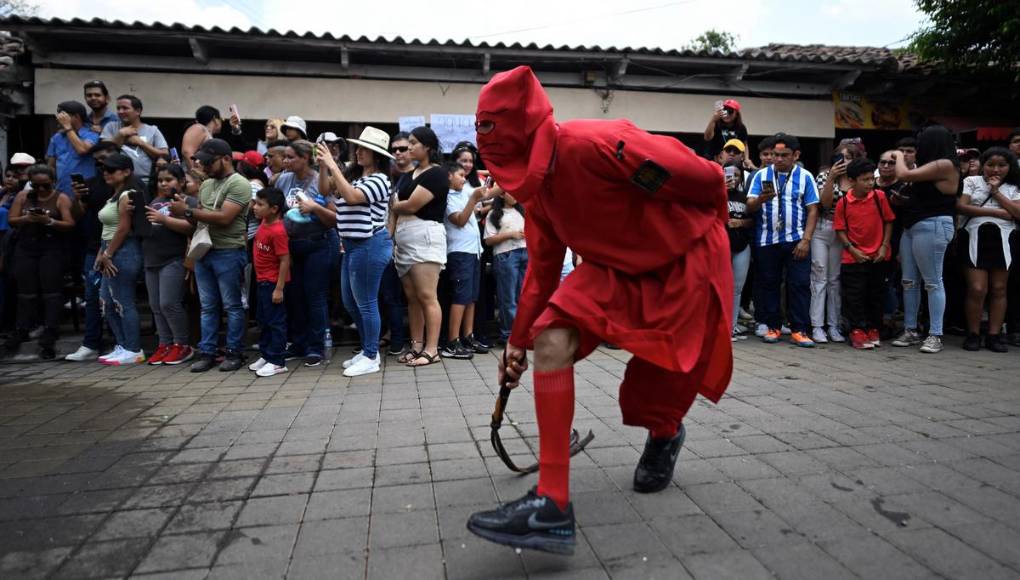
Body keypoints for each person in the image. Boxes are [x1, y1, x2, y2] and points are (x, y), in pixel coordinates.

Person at [465, 66, 732, 555]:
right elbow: (542, 273)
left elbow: (706, 178)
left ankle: (665, 434)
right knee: (551, 338)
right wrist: (517, 341)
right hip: (614, 268)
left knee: (662, 376)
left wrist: (712, 241)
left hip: (682, 258)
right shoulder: (539, 194)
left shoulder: (604, 145)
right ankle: (551, 503)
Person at [315, 128, 393, 376]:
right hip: (351, 246)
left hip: (370, 245)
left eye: (363, 149)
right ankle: (367, 349)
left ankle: (371, 356)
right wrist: (324, 166)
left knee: (366, 303)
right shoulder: (356, 176)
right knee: (351, 303)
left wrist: (332, 164)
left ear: (376, 154)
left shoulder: (380, 179)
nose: (357, 152)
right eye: (357, 148)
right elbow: (325, 191)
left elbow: (350, 197)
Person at [170, 138, 251, 372]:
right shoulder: (206, 185)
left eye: (209, 162)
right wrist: (186, 212)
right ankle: (208, 353)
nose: (204, 167)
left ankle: (235, 353)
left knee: (232, 306)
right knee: (208, 306)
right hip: (205, 250)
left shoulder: (239, 183)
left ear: (226, 159)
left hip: (229, 251)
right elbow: (200, 218)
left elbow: (225, 218)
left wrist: (187, 210)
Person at [889, 126, 961, 354]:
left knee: (932, 281)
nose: (916, 149)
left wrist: (898, 156)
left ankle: (935, 334)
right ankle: (911, 330)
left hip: (933, 225)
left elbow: (903, 174)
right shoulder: (931, 166)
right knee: (909, 282)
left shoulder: (945, 164)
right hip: (913, 226)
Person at [746, 133, 820, 347]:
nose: (778, 159)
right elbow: (750, 205)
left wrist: (806, 240)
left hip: (796, 239)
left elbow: (813, 209)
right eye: (776, 155)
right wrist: (761, 199)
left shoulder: (805, 176)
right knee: (768, 284)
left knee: (799, 285)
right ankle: (773, 327)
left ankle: (799, 330)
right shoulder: (761, 176)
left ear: (795, 155)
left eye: (784, 155)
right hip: (767, 240)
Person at [1, 165, 75, 360]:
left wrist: (48, 221)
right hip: (26, 247)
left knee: (51, 291)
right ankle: (22, 328)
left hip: (51, 247)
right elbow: (12, 219)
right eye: (36, 185)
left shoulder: (61, 197)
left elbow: (69, 223)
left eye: (45, 185)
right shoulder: (23, 197)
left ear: (52, 182)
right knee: (26, 292)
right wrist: (28, 218)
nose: (41, 190)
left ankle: (50, 331)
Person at [65, 143, 129, 361]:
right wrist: (78, 198)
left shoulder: (127, 187)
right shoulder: (92, 184)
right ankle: (91, 343)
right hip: (95, 247)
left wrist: (109, 252)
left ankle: (123, 343)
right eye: (98, 162)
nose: (103, 166)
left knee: (118, 298)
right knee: (93, 297)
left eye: (107, 161)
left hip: (120, 248)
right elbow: (77, 215)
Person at [276, 140, 338, 367]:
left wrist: (315, 208)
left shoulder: (319, 181)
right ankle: (298, 344)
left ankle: (316, 346)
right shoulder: (283, 179)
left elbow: (333, 219)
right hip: (291, 246)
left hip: (317, 244)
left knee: (315, 297)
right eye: (285, 156)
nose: (285, 161)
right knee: (294, 296)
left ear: (305, 158)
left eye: (291, 157)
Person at [390, 126, 448, 367]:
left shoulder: (437, 173)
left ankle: (432, 349)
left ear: (428, 147)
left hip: (424, 235)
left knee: (427, 295)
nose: (409, 147)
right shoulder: (408, 174)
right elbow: (397, 205)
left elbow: (411, 205)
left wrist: (397, 204)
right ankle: (416, 345)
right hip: (404, 237)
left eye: (413, 143)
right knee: (412, 297)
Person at [957, 147, 1020, 352]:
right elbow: (962, 207)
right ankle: (973, 333)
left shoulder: (1014, 186)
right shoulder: (971, 181)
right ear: (983, 165)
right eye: (990, 164)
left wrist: (996, 192)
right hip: (974, 237)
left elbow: (1017, 212)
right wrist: (999, 212)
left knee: (999, 289)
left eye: (1001, 165)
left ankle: (994, 335)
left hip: (1003, 239)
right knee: (977, 289)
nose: (995, 169)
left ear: (1009, 167)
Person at [834, 158, 896, 349]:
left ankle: (873, 328)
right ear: (852, 180)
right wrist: (852, 249)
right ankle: (857, 330)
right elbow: (840, 229)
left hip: (878, 256)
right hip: (853, 258)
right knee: (855, 296)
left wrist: (884, 246)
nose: (870, 183)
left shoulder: (879, 197)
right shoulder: (843, 202)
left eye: (872, 179)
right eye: (865, 179)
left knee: (876, 295)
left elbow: (888, 221)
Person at [94, 153, 146, 365]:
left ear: (126, 172)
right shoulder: (114, 195)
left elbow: (124, 228)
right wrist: (102, 252)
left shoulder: (127, 195)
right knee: (106, 301)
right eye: (104, 170)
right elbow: (108, 228)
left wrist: (108, 254)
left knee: (123, 301)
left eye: (111, 170)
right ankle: (123, 345)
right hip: (109, 249)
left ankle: (133, 348)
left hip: (123, 251)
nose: (106, 173)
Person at [812, 140, 866, 343]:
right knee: (819, 277)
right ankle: (817, 326)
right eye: (841, 157)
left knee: (835, 280)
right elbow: (823, 204)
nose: (845, 161)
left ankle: (834, 325)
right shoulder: (825, 175)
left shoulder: (857, 180)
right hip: (823, 227)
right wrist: (832, 177)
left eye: (850, 157)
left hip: (844, 233)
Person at [143, 164, 195, 365]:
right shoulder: (155, 201)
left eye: (169, 179)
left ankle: (181, 344)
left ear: (181, 182)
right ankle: (164, 344)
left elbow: (192, 227)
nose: (163, 183)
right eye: (160, 180)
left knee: (169, 304)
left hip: (173, 258)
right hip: (151, 258)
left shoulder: (187, 201)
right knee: (156, 306)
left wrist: (163, 219)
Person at [441, 162, 491, 359]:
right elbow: (460, 220)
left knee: (471, 297)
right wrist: (473, 199)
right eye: (460, 175)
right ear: (449, 176)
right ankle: (452, 341)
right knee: (460, 297)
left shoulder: (465, 190)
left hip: (473, 251)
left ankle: (467, 336)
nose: (464, 178)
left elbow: (487, 193)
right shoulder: (447, 197)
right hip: (459, 251)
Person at [248, 187, 291, 377]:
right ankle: (266, 354)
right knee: (264, 320)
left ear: (273, 209)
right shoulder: (264, 221)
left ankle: (277, 360)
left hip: (273, 283)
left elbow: (285, 260)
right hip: (261, 281)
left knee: (276, 322)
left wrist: (279, 288)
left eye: (259, 204)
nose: (254, 207)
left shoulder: (278, 230)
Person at [380, 132, 412, 358]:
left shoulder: (419, 176)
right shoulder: (387, 176)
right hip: (390, 243)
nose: (398, 153)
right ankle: (394, 336)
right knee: (389, 295)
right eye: (395, 150)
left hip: (414, 243)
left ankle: (405, 339)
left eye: (403, 148)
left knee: (416, 296)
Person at [485, 192, 528, 345]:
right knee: (507, 297)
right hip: (506, 254)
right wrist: (511, 234)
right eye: (511, 192)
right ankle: (508, 334)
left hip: (525, 253)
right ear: (502, 194)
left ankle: (521, 334)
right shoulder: (494, 213)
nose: (515, 195)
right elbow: (489, 240)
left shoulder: (522, 210)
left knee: (523, 296)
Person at [100, 95, 168, 185]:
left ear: (138, 111)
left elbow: (165, 154)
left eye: (125, 108)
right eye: (118, 108)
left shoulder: (152, 130)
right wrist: (120, 135)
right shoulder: (111, 127)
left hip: (146, 181)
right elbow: (103, 153)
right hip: (118, 182)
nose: (120, 111)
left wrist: (141, 143)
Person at [46, 100, 99, 194]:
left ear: (76, 116)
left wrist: (68, 127)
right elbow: (51, 166)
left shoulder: (91, 134)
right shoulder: (56, 138)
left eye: (63, 116)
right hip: (61, 190)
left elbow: (82, 149)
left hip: (85, 190)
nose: (59, 119)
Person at [725, 162, 752, 341]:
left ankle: (732, 326)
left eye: (736, 175)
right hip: (722, 245)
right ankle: (721, 326)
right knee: (722, 286)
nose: (732, 178)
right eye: (728, 174)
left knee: (737, 289)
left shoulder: (744, 197)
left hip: (742, 245)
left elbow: (753, 220)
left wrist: (740, 223)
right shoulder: (716, 194)